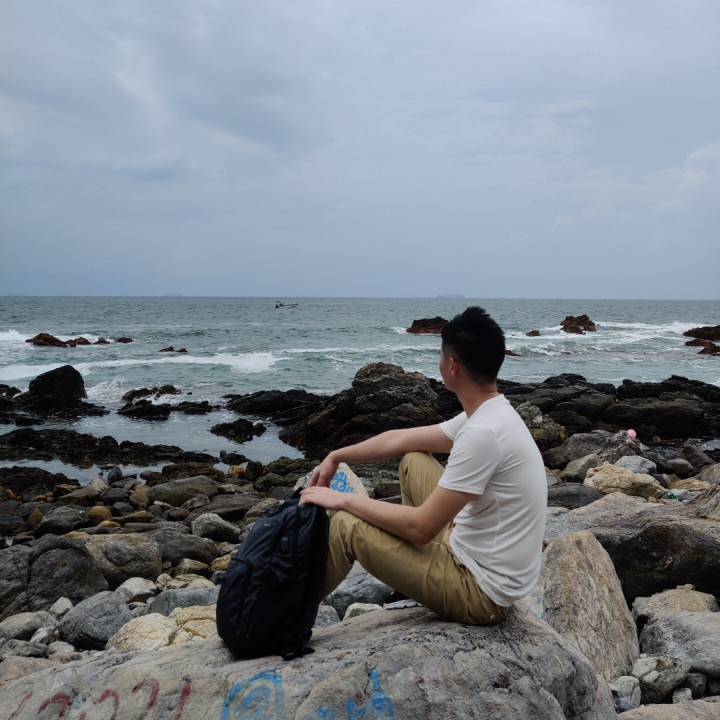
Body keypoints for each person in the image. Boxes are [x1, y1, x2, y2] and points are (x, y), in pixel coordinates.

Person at [299, 306, 547, 625]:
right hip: (473, 547)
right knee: (413, 460)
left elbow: (421, 529)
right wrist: (337, 456)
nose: (439, 361)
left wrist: (343, 500)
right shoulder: (490, 413)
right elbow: (401, 439)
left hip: (481, 591)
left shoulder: (483, 434)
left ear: (453, 366)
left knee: (347, 526)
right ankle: (412, 581)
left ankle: (284, 621)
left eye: (441, 355)